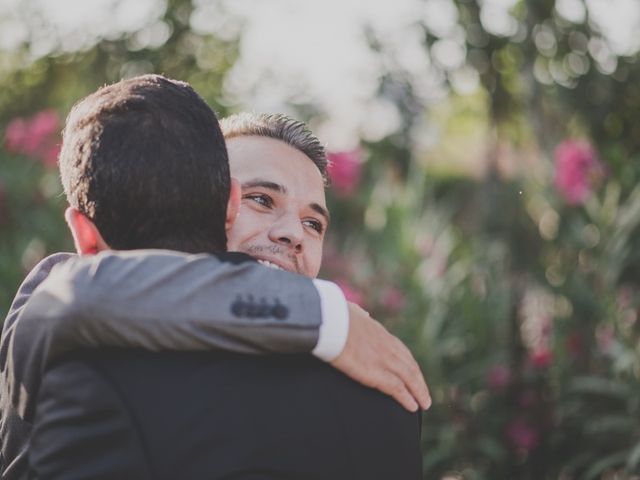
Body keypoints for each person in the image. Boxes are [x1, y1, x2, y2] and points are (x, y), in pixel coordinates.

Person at [0, 76, 426, 479]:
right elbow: (73, 293)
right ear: (217, 203)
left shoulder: (380, 382)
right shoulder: (86, 339)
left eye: (314, 223)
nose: (295, 233)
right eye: (261, 199)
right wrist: (324, 315)